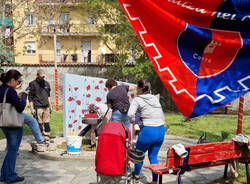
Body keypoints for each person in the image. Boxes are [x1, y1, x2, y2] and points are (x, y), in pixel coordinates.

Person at [127, 80, 165, 184]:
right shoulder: (154, 98)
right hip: (161, 130)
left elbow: (130, 114)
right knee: (153, 157)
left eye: (137, 88)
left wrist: (133, 122)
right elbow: (161, 115)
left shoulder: (137, 99)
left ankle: (137, 176)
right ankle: (154, 181)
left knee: (139, 154)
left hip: (149, 130)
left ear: (140, 89)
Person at [0, 69, 28, 183]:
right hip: (13, 125)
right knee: (13, 150)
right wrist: (24, 96)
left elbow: (11, 102)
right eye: (18, 81)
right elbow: (20, 107)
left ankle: (3, 175)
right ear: (12, 80)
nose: (18, 83)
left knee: (10, 150)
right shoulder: (10, 91)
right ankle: (10, 175)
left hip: (4, 123)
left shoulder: (2, 89)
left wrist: (17, 96)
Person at [28, 69, 54, 140]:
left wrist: (50, 106)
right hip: (38, 107)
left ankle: (47, 136)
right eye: (41, 77)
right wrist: (32, 108)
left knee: (46, 123)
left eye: (43, 77)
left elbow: (48, 96)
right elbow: (30, 97)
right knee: (39, 123)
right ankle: (40, 138)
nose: (42, 78)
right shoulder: (32, 84)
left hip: (46, 107)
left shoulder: (46, 84)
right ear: (37, 75)